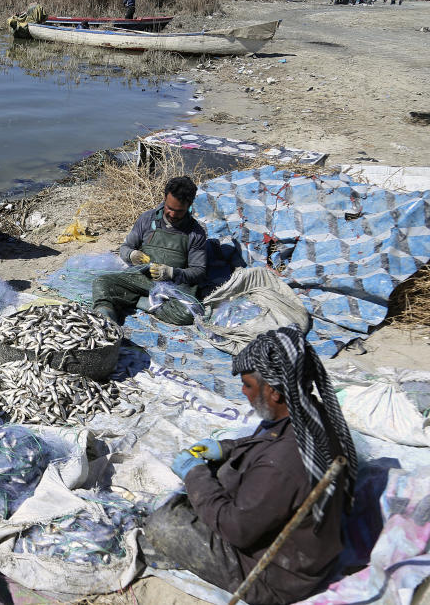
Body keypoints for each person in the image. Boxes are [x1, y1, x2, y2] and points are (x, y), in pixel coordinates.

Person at [141, 326, 358, 605]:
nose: (243, 392)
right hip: (298, 544)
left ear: (275, 392)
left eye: (248, 385)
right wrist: (227, 447)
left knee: (164, 523)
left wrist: (195, 474)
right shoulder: (308, 412)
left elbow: (237, 530)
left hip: (276, 575)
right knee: (222, 470)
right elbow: (268, 439)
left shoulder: (281, 464)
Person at [91, 176, 207, 325]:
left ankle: (137, 301)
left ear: (189, 205)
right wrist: (131, 255)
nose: (172, 214)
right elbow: (125, 248)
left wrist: (172, 272)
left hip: (173, 287)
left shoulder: (196, 233)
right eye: (169, 208)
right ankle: (106, 322)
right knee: (101, 283)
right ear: (165, 198)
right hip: (140, 279)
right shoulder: (147, 219)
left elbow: (199, 271)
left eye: (179, 211)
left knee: (187, 314)